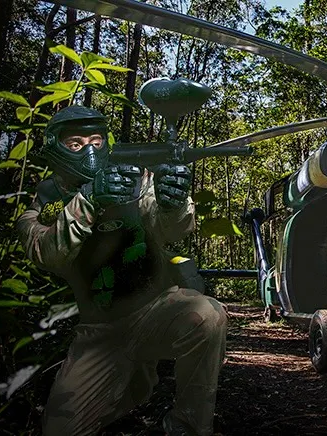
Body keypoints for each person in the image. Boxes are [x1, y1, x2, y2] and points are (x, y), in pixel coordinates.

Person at [16, 105, 227, 436]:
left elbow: (169, 228)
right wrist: (88, 200)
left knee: (206, 314)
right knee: (60, 429)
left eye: (96, 141)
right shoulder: (43, 202)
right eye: (76, 143)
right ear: (56, 147)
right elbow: (47, 254)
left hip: (155, 310)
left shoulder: (133, 178)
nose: (89, 150)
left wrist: (172, 199)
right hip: (99, 333)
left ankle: (188, 425)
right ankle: (132, 386)